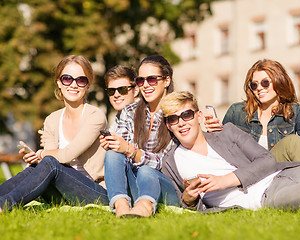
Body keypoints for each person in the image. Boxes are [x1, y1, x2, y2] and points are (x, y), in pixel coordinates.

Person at [160, 91, 300, 212]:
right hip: (264, 196)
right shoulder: (171, 162)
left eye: (186, 115)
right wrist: (188, 199)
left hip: (285, 172)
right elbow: (180, 204)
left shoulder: (227, 132)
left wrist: (224, 180)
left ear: (199, 116)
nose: (181, 123)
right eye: (173, 119)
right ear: (168, 125)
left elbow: (267, 160)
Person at [0, 55, 109, 213]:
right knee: (35, 167)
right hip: (61, 192)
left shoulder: (95, 116)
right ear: (59, 82)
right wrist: (37, 158)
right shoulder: (52, 119)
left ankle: (5, 205)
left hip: (94, 191)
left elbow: (64, 156)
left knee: (49, 162)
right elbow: (49, 161)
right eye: (67, 79)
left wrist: (41, 154)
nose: (73, 85)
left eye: (81, 80)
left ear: (88, 84)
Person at [205, 59, 300, 171]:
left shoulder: (293, 111)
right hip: (253, 171)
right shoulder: (237, 111)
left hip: (281, 171)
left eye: (265, 83)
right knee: (291, 142)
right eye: (254, 84)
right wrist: (215, 133)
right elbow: (221, 151)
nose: (259, 88)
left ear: (279, 81)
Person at [100, 55, 179, 218]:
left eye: (152, 79)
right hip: (134, 183)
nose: (145, 85)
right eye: (141, 80)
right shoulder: (130, 111)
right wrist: (115, 145)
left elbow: (163, 164)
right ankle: (121, 206)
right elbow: (121, 153)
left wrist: (130, 150)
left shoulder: (176, 113)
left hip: (162, 186)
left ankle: (145, 208)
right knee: (112, 154)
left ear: (167, 80)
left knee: (146, 171)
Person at [104, 65, 139, 132]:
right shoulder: (118, 119)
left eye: (122, 89)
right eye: (111, 90)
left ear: (136, 91)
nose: (116, 95)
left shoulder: (144, 116)